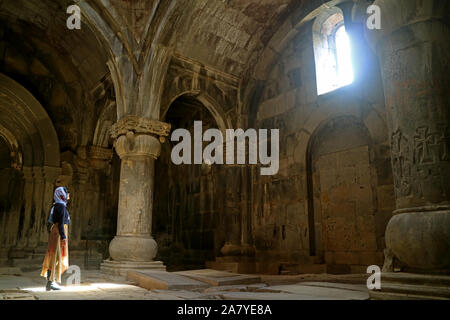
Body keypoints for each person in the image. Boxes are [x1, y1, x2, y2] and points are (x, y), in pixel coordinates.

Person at [40, 186, 71, 291]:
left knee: (54, 256)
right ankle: (51, 282)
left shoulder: (57, 205)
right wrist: (63, 237)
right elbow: (61, 223)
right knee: (56, 257)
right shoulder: (61, 207)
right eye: (67, 193)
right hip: (58, 233)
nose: (68, 195)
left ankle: (50, 282)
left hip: (56, 232)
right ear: (62, 194)